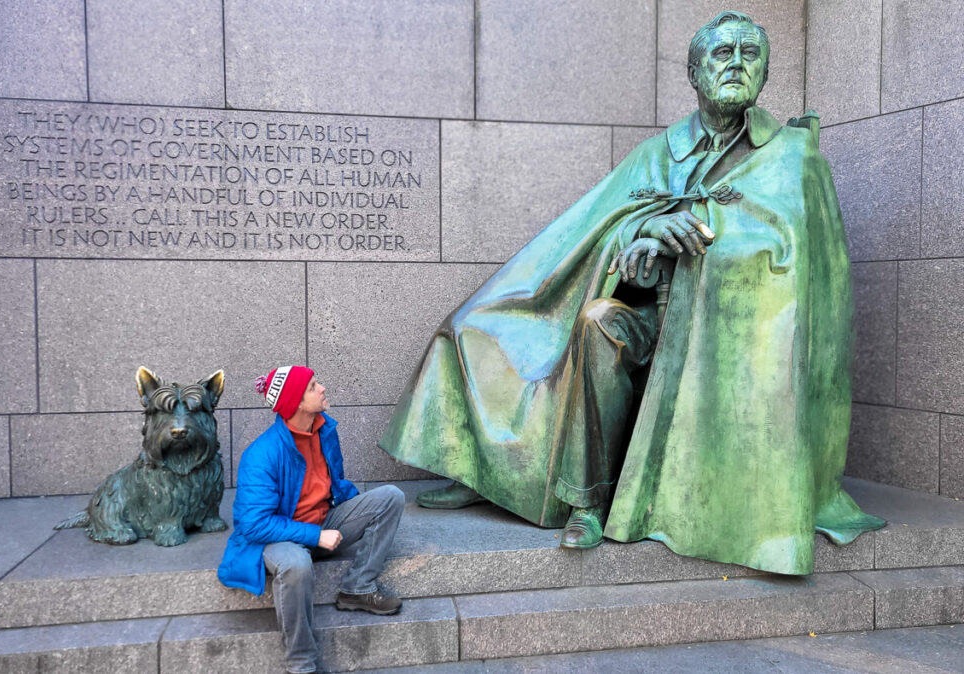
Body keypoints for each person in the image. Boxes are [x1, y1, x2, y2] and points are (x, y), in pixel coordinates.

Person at [379, 11, 884, 575]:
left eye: (749, 53)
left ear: (765, 71)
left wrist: (700, 237)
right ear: (694, 72)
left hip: (729, 342)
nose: (736, 64)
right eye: (722, 54)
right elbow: (603, 230)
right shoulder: (658, 153)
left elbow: (804, 270)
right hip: (654, 320)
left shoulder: (793, 155)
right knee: (567, 321)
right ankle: (576, 497)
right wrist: (642, 235)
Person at [218, 365, 404, 673]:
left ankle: (357, 588)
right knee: (296, 565)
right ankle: (302, 663)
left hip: (322, 520)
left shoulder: (324, 430)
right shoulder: (261, 454)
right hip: (279, 536)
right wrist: (316, 537)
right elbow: (254, 524)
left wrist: (355, 510)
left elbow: (334, 480)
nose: (322, 388)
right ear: (297, 404)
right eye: (313, 386)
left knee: (390, 497)